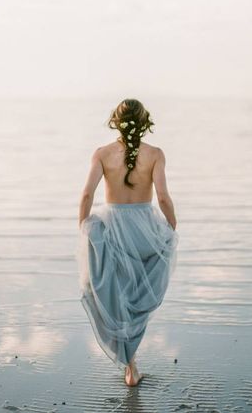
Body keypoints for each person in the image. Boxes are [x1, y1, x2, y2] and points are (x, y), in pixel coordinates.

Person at [77, 98, 178, 387]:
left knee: (113, 292)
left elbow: (86, 196)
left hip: (112, 229)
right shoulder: (156, 154)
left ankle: (130, 365)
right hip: (146, 230)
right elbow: (162, 198)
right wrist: (171, 226)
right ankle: (132, 363)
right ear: (144, 121)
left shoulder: (102, 154)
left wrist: (84, 228)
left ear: (116, 121)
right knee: (138, 297)